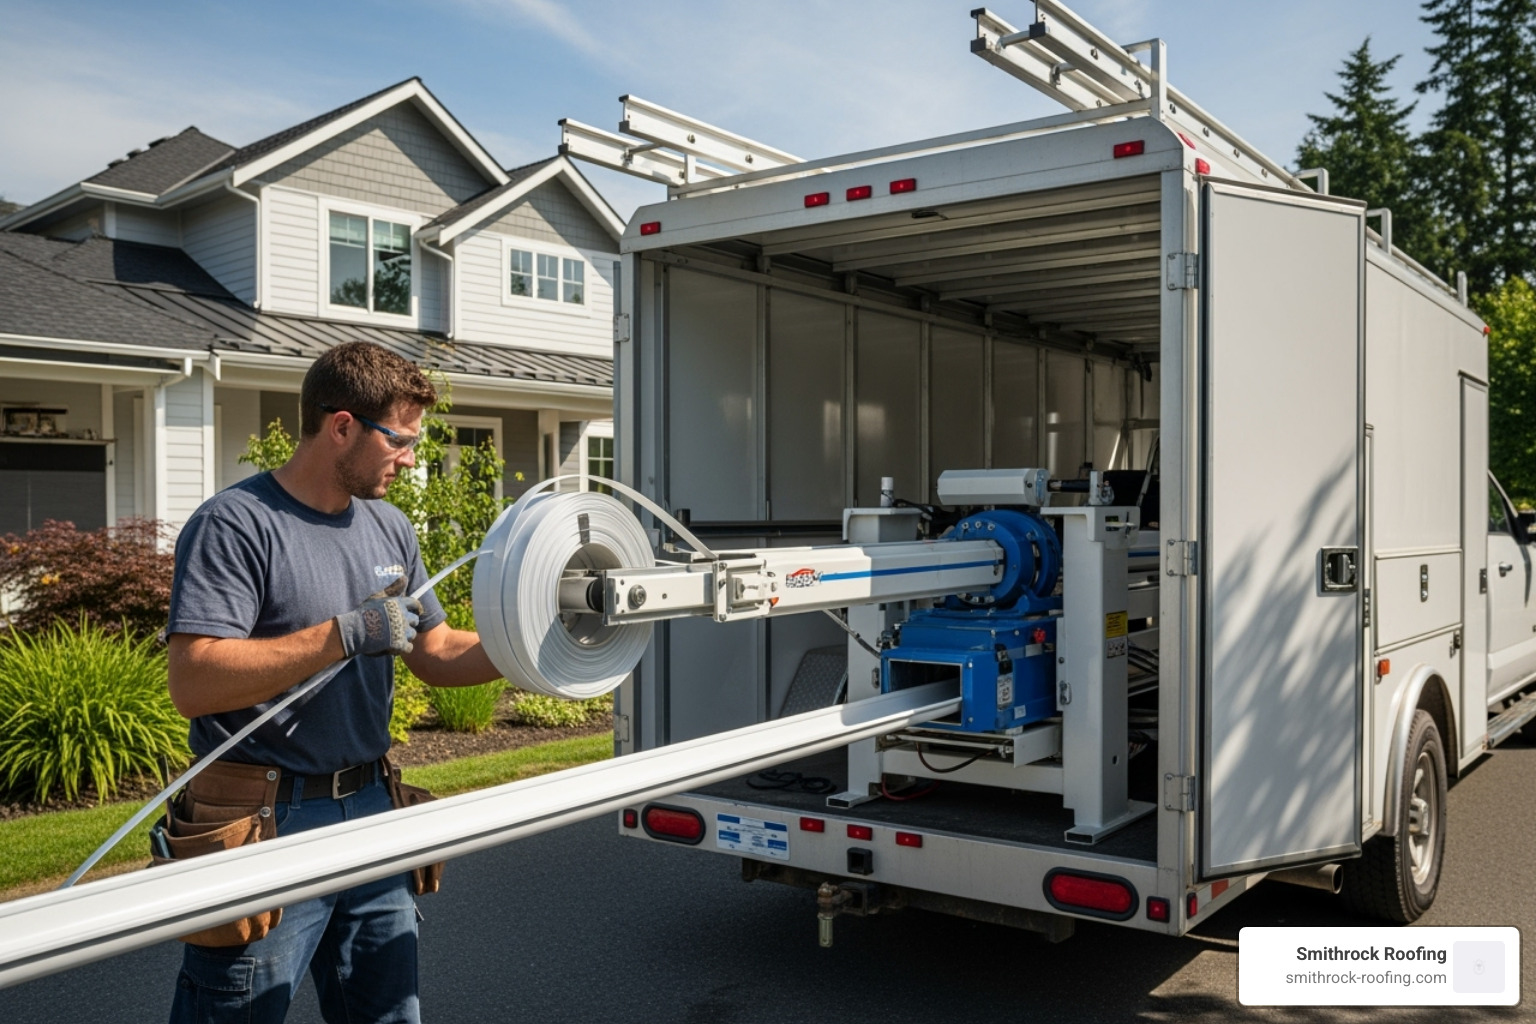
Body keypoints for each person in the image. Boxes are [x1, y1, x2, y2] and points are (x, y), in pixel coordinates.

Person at [164, 340, 502, 1024]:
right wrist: (342, 634)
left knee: (386, 1014)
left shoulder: (389, 526)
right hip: (264, 820)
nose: (412, 460)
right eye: (401, 441)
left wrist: (531, 647)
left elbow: (434, 649)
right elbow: (193, 679)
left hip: (374, 805)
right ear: (342, 425)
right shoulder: (237, 524)